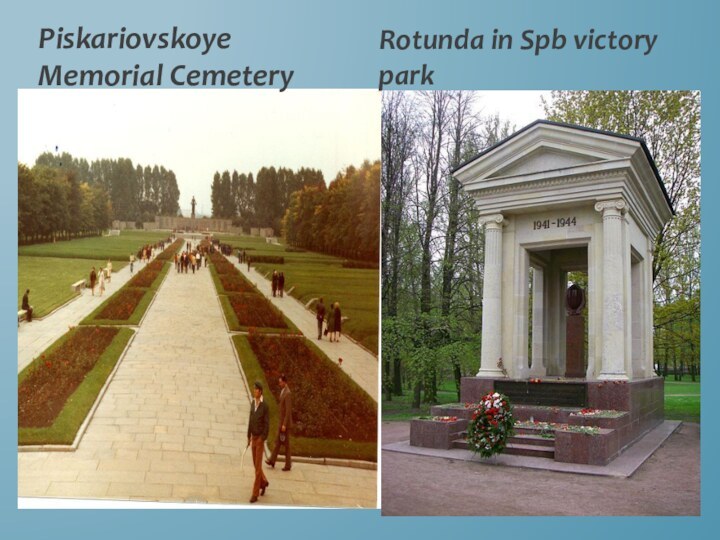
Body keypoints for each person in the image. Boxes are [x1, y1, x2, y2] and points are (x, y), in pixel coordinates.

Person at [247, 381, 270, 503]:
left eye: (256, 390)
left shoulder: (264, 406)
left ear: (260, 391)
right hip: (253, 437)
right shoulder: (253, 403)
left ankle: (255, 494)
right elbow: (250, 420)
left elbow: (267, 425)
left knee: (257, 467)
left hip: (260, 439)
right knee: (256, 465)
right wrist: (248, 435)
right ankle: (264, 482)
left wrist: (262, 438)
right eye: (253, 389)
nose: (254, 391)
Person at [266, 374, 292, 471]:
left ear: (285, 382)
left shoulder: (288, 393)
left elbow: (288, 410)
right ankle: (272, 460)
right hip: (281, 422)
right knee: (278, 442)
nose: (279, 383)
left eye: (280, 382)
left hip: (285, 424)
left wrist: (284, 424)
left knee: (286, 445)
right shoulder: (283, 390)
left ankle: (288, 465)